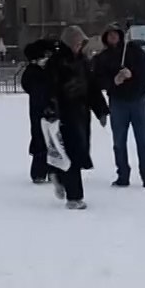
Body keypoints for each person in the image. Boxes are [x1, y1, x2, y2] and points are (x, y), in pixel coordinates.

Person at [42, 26, 108, 210]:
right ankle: (74, 196)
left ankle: (57, 173)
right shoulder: (56, 63)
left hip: (81, 113)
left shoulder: (83, 62)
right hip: (63, 113)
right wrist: (51, 109)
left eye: (81, 43)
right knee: (71, 153)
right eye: (77, 43)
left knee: (77, 151)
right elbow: (49, 88)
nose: (79, 46)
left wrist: (101, 110)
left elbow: (92, 87)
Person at [92, 24, 145, 188]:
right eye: (109, 35)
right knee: (119, 141)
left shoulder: (133, 50)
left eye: (115, 34)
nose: (113, 37)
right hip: (118, 102)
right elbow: (98, 80)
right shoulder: (102, 58)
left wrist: (132, 73)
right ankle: (122, 174)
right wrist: (113, 82)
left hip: (138, 100)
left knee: (142, 140)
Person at [21, 39, 58, 184]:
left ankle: (54, 170)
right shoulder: (33, 70)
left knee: (54, 138)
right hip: (38, 106)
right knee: (39, 137)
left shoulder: (54, 68)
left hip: (54, 105)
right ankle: (39, 171)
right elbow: (27, 84)